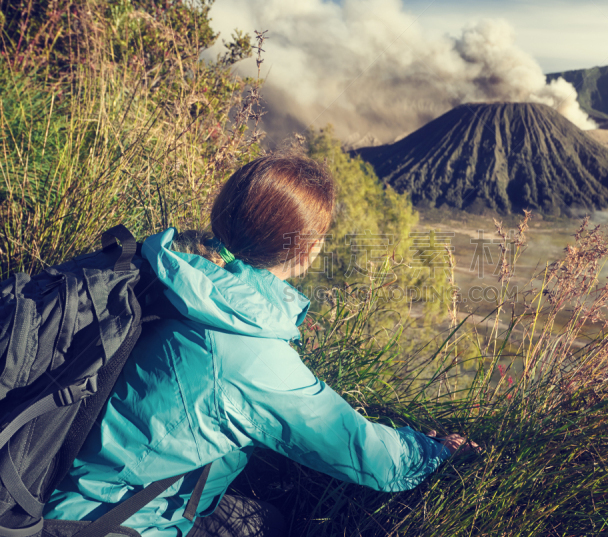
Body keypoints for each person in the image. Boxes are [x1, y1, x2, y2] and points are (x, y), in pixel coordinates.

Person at [42, 152, 477, 537]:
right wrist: (436, 451)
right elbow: (370, 456)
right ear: (305, 252)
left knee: (267, 518)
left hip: (54, 478)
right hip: (107, 523)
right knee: (270, 525)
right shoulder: (251, 357)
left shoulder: (167, 269)